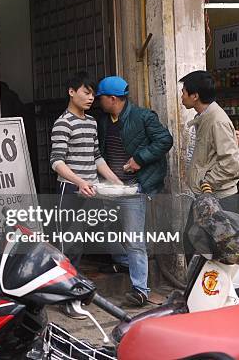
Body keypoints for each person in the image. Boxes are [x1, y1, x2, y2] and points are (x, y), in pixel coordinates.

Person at [49, 71, 123, 319]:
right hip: (70, 190)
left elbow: (95, 157)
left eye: (93, 94)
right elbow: (57, 162)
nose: (91, 98)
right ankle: (65, 299)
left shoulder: (91, 122)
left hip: (89, 190)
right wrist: (80, 181)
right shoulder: (63, 123)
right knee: (67, 246)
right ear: (72, 92)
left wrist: (114, 180)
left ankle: (73, 295)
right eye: (86, 92)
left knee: (79, 246)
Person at [96, 76, 173, 307]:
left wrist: (140, 158)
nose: (97, 101)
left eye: (100, 97)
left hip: (134, 186)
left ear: (112, 99)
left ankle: (140, 289)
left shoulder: (143, 116)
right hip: (110, 186)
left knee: (134, 238)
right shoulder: (102, 120)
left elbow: (165, 140)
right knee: (106, 227)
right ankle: (123, 261)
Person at [180, 71, 239, 202]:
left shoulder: (217, 121)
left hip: (220, 198)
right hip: (208, 196)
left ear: (195, 96)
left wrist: (206, 183)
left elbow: (231, 165)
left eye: (183, 92)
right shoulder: (204, 117)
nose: (182, 97)